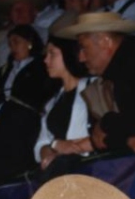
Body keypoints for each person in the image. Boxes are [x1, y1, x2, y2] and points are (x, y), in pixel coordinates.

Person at [57, 12, 135, 155]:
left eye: (84, 47)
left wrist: (107, 123)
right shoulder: (120, 70)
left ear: (106, 42)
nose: (81, 58)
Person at [35, 29, 93, 177]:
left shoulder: (93, 89)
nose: (46, 60)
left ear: (68, 54)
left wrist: (70, 147)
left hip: (89, 171)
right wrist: (49, 153)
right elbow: (42, 142)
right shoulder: (52, 101)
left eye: (52, 53)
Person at [0, 24, 56, 114]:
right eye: (10, 44)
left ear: (29, 43)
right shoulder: (7, 68)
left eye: (16, 42)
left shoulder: (42, 66)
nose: (12, 47)